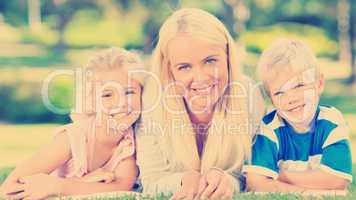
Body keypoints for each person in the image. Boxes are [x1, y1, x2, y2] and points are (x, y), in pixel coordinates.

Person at [136, 8, 265, 199]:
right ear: (169, 70)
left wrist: (228, 181)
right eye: (184, 67)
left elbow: (254, 174)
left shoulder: (248, 96)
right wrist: (184, 180)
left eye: (210, 61)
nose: (201, 77)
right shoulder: (152, 101)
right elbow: (151, 181)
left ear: (228, 58)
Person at [0, 47, 144, 199]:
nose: (120, 103)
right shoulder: (74, 139)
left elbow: (121, 188)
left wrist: (60, 185)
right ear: (92, 101)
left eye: (129, 92)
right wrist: (79, 185)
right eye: (107, 95)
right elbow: (9, 189)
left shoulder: (129, 141)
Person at [243, 38, 352, 193]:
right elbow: (255, 183)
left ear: (319, 84)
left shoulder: (331, 122)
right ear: (272, 100)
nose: (291, 98)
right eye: (280, 92)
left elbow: (337, 180)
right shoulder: (269, 128)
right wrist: (306, 192)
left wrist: (280, 175)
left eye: (299, 85)